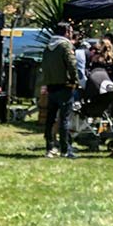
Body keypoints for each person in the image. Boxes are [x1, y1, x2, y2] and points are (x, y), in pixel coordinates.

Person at [41, 22, 78, 159]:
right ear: (67, 32)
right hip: (64, 86)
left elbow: (44, 66)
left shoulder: (47, 47)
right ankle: (65, 149)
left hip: (52, 86)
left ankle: (49, 147)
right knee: (64, 119)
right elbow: (71, 64)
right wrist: (75, 80)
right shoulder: (65, 45)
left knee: (50, 119)